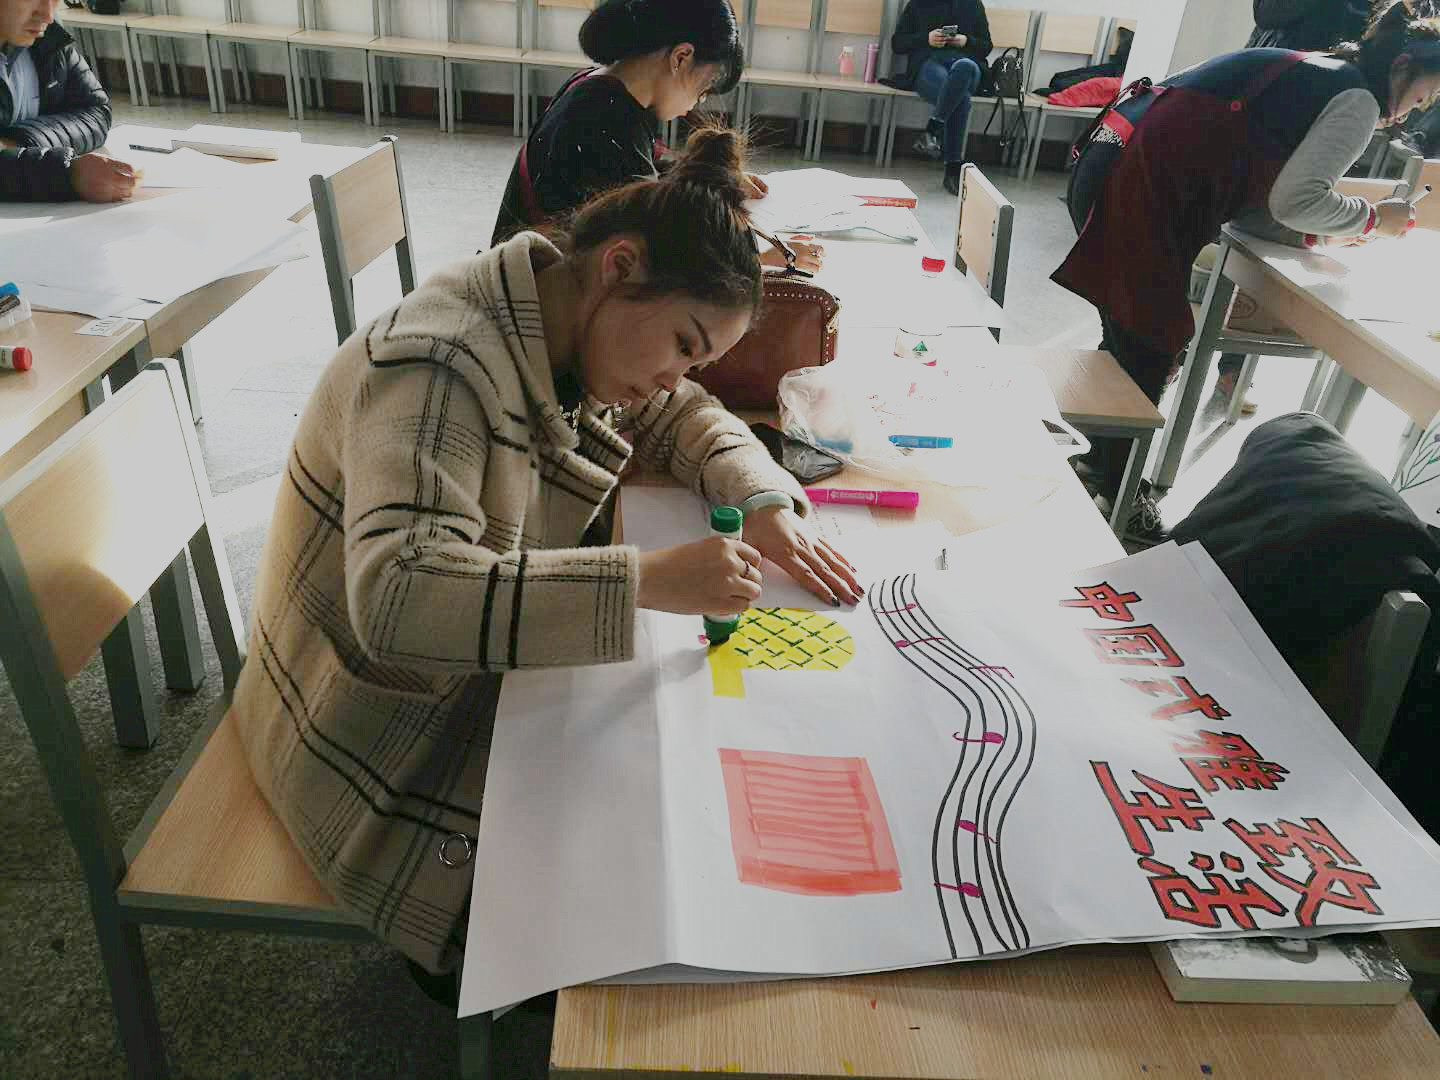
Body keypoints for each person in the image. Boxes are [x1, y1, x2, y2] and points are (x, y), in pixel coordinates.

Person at [234, 127, 862, 984]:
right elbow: (398, 600)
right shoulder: (438, 365)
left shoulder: (558, 318)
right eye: (684, 345)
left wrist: (761, 499)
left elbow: (682, 416)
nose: (676, 377)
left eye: (701, 359)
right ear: (619, 267)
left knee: (661, 800)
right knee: (636, 914)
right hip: (358, 744)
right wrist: (646, 580)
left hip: (434, 689)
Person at [1053, 0, 1440, 542]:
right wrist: (1374, 218)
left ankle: (1097, 466)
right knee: (1152, 345)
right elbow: (1294, 202)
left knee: (1130, 341)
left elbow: (1265, 197)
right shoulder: (1358, 101)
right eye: (1421, 97)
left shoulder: (1325, 70)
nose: (1410, 115)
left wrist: (1319, 229)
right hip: (1138, 186)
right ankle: (1117, 495)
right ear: (1401, 67)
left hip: (1111, 156)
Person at [491, 0, 823, 274]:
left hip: (529, 268)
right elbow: (658, 252)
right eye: (704, 89)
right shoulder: (603, 121)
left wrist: (719, 178)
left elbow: (646, 165)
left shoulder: (600, 88)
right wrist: (759, 258)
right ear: (681, 58)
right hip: (534, 293)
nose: (697, 103)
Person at [1212, 0, 1377, 411]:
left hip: (1317, 87)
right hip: (1289, 87)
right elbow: (1268, 11)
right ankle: (1197, 356)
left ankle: (1233, 366)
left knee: (1276, 234)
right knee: (1245, 230)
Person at [0, 0, 135, 201]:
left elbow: (95, 110)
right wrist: (67, 175)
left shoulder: (47, 35)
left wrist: (17, 144)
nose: (48, 16)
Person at [884, 0, 993, 195]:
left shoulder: (973, 4)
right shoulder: (918, 3)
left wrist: (965, 41)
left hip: (967, 66)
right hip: (929, 64)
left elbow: (986, 46)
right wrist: (926, 39)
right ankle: (952, 168)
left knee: (965, 67)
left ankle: (932, 130)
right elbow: (898, 43)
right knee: (961, 98)